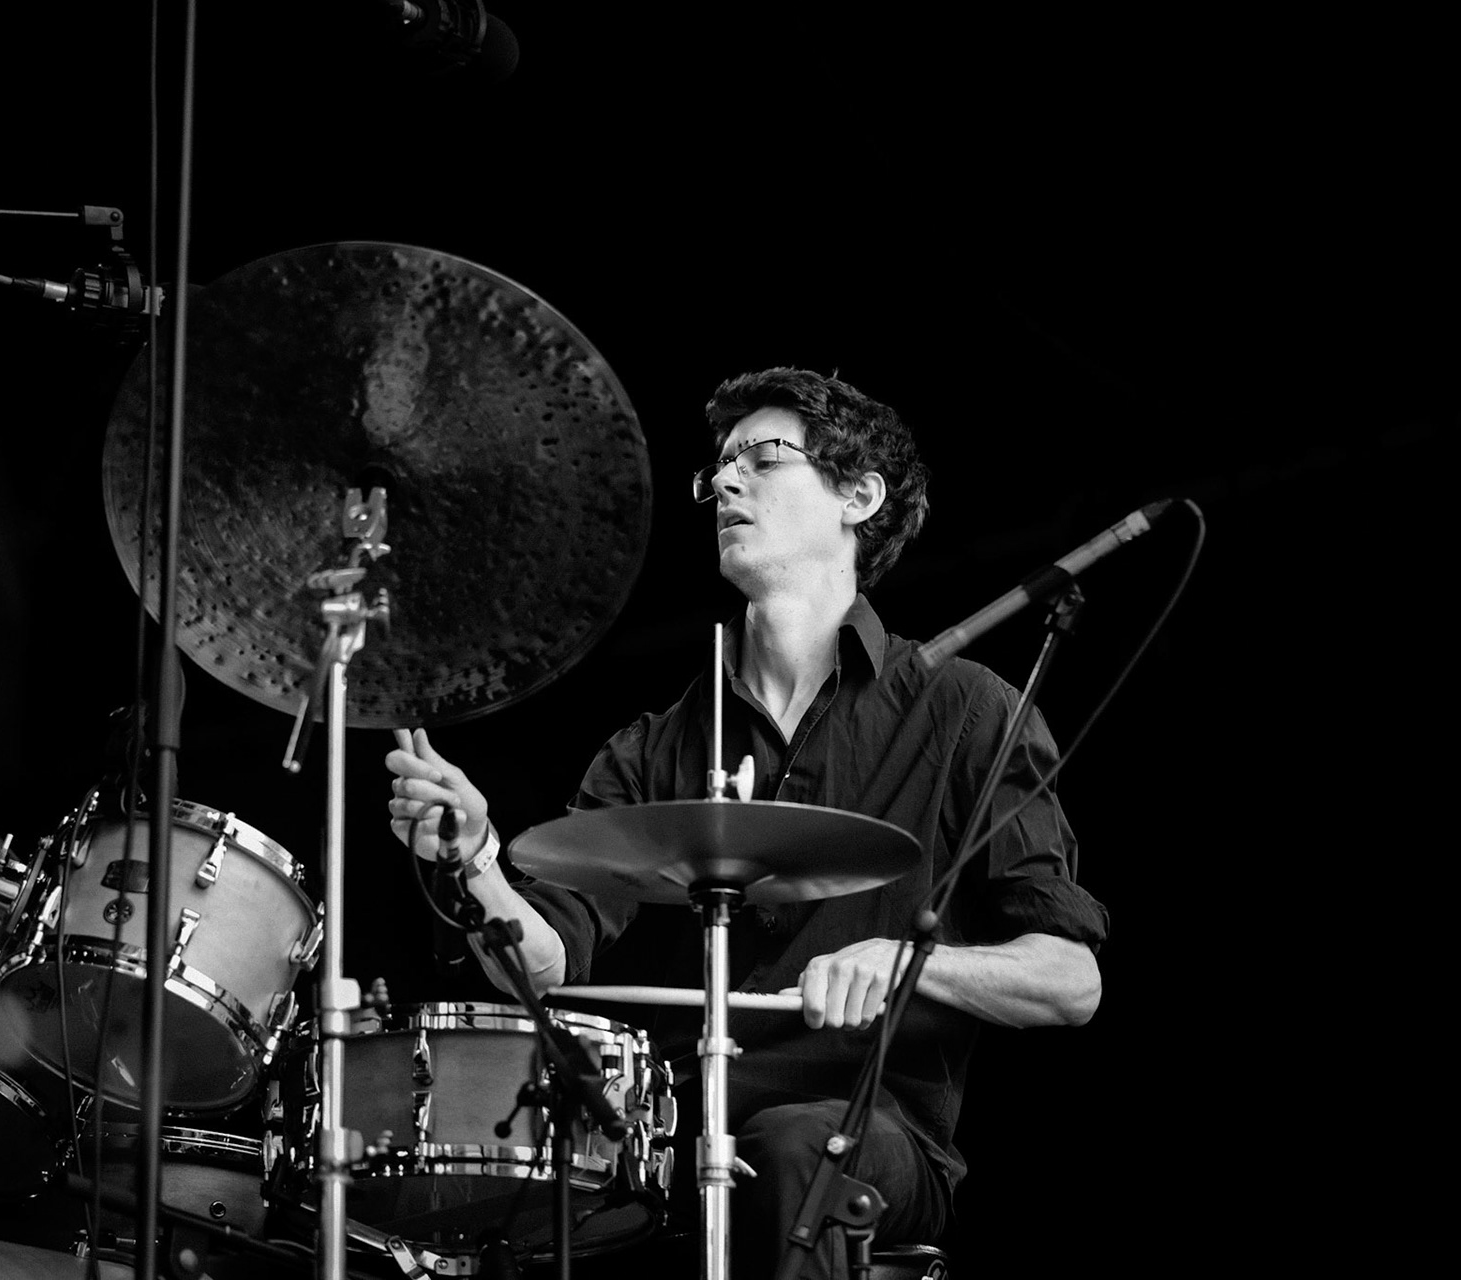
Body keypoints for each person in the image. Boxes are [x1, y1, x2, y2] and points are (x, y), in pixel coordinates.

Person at [384, 367, 1108, 1277]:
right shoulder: (658, 745)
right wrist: (474, 860)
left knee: (791, 1147)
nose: (725, 483)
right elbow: (545, 961)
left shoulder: (967, 715)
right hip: (682, 1125)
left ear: (859, 495)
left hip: (866, 1131)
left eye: (763, 459)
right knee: (519, 1193)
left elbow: (1070, 980)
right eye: (718, 469)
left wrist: (908, 962)